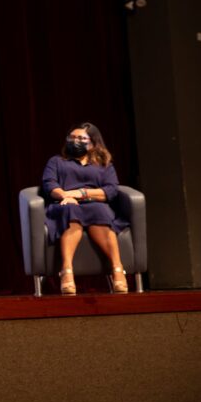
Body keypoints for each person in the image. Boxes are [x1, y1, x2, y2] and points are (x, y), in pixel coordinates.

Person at [42, 122, 129, 295]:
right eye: (72, 138)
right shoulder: (57, 161)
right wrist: (65, 195)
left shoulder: (104, 164)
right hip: (65, 205)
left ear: (93, 142)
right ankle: (67, 271)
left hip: (94, 204)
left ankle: (117, 269)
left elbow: (110, 191)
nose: (76, 141)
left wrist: (80, 193)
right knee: (71, 210)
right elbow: (49, 184)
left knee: (100, 210)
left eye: (81, 138)